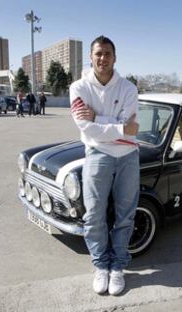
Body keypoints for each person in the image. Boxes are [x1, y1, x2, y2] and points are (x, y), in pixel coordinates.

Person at [69, 35, 139, 296]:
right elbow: (85, 126)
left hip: (128, 156)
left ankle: (118, 267)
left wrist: (98, 117)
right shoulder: (78, 88)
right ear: (91, 56)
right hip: (97, 155)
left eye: (107, 53)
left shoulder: (128, 88)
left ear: (115, 57)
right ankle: (101, 266)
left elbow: (132, 133)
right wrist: (118, 125)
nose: (102, 58)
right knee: (94, 215)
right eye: (98, 53)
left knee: (125, 215)